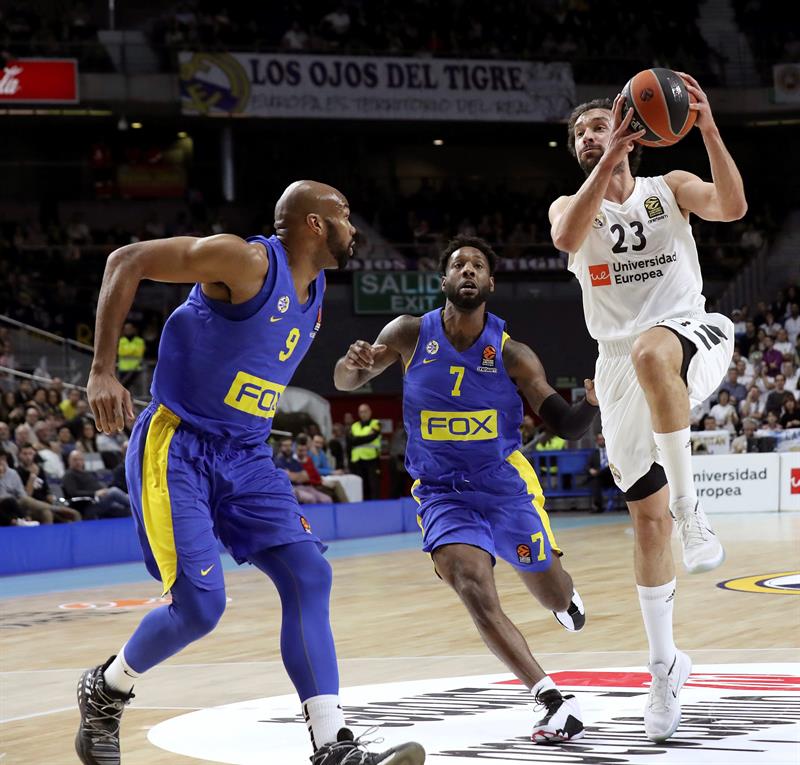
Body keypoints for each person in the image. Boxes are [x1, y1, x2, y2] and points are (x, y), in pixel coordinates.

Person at [75, 180, 423, 765]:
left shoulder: (315, 287)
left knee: (309, 574)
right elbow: (125, 260)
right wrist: (103, 371)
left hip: (248, 454)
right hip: (179, 445)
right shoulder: (246, 261)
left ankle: (332, 745)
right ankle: (107, 690)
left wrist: (350, 366)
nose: (354, 227)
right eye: (344, 214)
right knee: (200, 610)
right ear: (314, 224)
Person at [334, 236, 598, 744]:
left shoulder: (512, 353)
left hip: (504, 488)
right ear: (445, 281)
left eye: (478, 265)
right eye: (459, 265)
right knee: (473, 586)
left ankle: (565, 596)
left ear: (491, 283)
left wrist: (589, 403)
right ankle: (551, 700)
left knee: (551, 590)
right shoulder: (409, 334)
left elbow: (566, 425)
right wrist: (354, 362)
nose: (469, 271)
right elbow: (348, 380)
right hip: (441, 493)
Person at [550, 74, 746, 742]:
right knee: (646, 525)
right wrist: (605, 162)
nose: (588, 136)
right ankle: (665, 666)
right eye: (579, 133)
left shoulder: (670, 189)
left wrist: (710, 130)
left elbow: (731, 206)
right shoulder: (569, 207)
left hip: (694, 335)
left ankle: (696, 509)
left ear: (631, 126)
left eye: (598, 126)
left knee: (652, 352)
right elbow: (565, 237)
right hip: (619, 365)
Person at [62, 450, 131, 519]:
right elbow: (73, 493)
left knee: (129, 511)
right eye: (75, 460)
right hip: (88, 506)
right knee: (113, 491)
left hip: (101, 501)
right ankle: (137, 502)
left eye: (80, 459)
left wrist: (103, 490)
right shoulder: (69, 475)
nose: (78, 462)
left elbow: (96, 486)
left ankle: (136, 506)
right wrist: (95, 493)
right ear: (69, 461)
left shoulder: (87, 473)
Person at [348, 403, 381, 499]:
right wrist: (363, 438)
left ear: (370, 412)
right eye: (361, 412)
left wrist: (357, 439)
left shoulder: (376, 423)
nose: (363, 414)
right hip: (357, 460)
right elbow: (350, 441)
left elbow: (371, 437)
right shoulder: (354, 426)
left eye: (365, 411)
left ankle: (375, 505)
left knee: (373, 485)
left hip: (371, 459)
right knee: (360, 486)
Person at [587, 432, 615, 513]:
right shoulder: (594, 453)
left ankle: (630, 507)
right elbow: (588, 466)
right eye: (599, 439)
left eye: (603, 439)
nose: (601, 441)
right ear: (596, 441)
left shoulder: (612, 451)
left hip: (613, 476)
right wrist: (590, 470)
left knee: (607, 469)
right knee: (595, 481)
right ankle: (597, 506)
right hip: (601, 478)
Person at [117, 321, 146, 391]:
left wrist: (127, 350)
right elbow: (121, 352)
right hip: (123, 369)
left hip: (136, 370)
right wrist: (133, 350)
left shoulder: (140, 341)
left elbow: (139, 352)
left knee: (136, 392)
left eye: (129, 328)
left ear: (134, 329)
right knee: (123, 389)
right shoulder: (121, 340)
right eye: (126, 329)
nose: (128, 330)